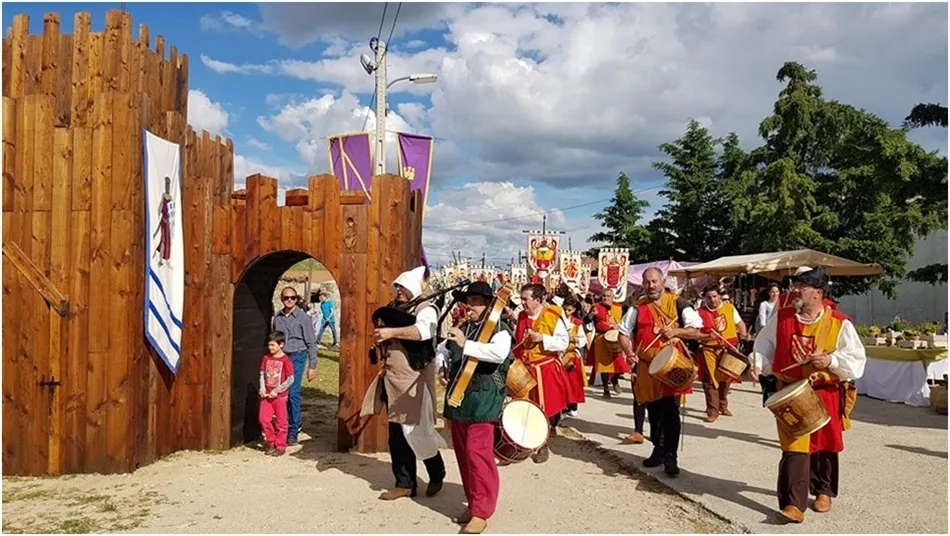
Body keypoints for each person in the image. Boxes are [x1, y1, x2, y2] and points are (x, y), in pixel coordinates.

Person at [751, 267, 866, 523]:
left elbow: (856, 360)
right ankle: (794, 503)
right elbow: (764, 344)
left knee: (826, 444)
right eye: (796, 285)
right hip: (791, 392)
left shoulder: (839, 322)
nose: (796, 290)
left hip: (825, 391)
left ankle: (824, 490)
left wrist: (831, 360)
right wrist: (758, 363)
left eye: (802, 286)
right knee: (794, 447)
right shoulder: (782, 317)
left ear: (818, 292)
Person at [361, 266, 446, 500]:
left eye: (403, 286)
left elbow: (423, 332)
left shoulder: (426, 309)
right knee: (397, 435)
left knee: (419, 433)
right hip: (393, 380)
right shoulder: (393, 308)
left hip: (414, 381)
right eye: (397, 286)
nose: (398, 290)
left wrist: (391, 333)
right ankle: (405, 483)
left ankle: (436, 473)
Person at [436, 281, 512, 534]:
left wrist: (464, 344)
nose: (472, 305)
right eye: (469, 300)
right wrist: (443, 365)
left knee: (477, 456)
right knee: (463, 455)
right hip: (460, 399)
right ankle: (473, 502)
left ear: (489, 303)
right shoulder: (465, 326)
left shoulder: (501, 328)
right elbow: (444, 351)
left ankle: (482, 511)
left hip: (484, 398)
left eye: (478, 300)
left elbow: (498, 354)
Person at [618, 267, 705, 476]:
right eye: (647, 282)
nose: (651, 286)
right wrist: (629, 352)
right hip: (648, 367)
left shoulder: (678, 303)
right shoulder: (637, 308)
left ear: (662, 281)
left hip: (671, 367)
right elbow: (623, 332)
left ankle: (670, 457)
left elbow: (697, 331)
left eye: (655, 281)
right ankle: (658, 448)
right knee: (653, 411)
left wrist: (676, 331)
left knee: (671, 412)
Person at [513, 283, 570, 463]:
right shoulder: (522, 316)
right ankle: (525, 444)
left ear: (537, 300)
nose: (522, 303)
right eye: (521, 299)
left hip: (544, 368)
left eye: (525, 299)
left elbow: (564, 342)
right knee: (524, 408)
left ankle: (543, 445)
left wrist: (543, 338)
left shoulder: (553, 316)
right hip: (525, 369)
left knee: (543, 409)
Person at [271, 287, 318, 446]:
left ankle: (294, 429)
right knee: (280, 393)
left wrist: (312, 366)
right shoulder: (277, 318)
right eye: (286, 298)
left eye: (292, 298)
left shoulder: (303, 317)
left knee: (293, 392)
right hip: (282, 358)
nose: (289, 300)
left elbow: (311, 342)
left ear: (297, 299)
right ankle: (283, 426)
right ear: (281, 299)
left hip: (298, 355)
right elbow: (275, 339)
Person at [697, 285, 749, 422]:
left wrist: (743, 334)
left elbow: (739, 323)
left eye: (714, 296)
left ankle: (722, 404)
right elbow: (694, 332)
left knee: (726, 378)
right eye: (709, 297)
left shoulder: (729, 308)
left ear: (719, 296)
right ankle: (712, 410)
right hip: (709, 349)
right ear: (705, 298)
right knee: (710, 380)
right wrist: (706, 336)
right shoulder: (699, 312)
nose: (712, 300)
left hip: (728, 347)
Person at [587, 289, 630, 398]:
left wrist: (618, 326)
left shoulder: (619, 308)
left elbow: (626, 323)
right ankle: (606, 389)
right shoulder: (596, 307)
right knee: (604, 366)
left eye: (608, 296)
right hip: (601, 338)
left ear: (612, 297)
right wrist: (591, 315)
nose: (605, 298)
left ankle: (615, 379)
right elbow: (586, 320)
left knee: (621, 364)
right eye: (604, 296)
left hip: (615, 338)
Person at [258, 331, 294, 456]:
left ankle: (280, 446)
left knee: (281, 422)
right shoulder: (266, 358)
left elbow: (290, 379)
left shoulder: (285, 360)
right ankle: (271, 442)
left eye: (273, 345)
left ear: (281, 345)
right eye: (269, 345)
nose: (270, 348)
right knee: (264, 419)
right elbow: (262, 374)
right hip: (266, 396)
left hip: (279, 396)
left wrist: (277, 391)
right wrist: (262, 388)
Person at [561, 298, 588, 417]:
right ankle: (563, 405)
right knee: (561, 383)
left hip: (572, 356)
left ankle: (573, 405)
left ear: (574, 310)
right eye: (565, 309)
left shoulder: (577, 323)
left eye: (569, 310)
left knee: (573, 383)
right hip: (560, 355)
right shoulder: (558, 321)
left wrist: (574, 339)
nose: (566, 312)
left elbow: (583, 340)